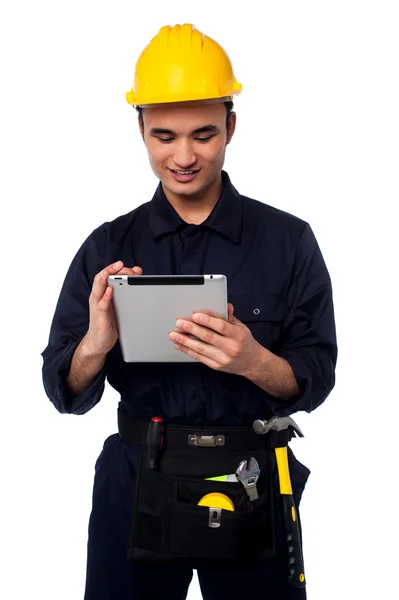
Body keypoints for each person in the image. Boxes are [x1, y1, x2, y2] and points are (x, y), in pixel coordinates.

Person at [41, 23, 337, 600]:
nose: (183, 156)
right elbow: (64, 390)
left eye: (203, 134)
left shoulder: (289, 241)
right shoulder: (108, 246)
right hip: (136, 478)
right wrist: (95, 344)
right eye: (164, 136)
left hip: (252, 477)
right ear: (141, 131)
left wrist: (254, 361)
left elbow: (316, 376)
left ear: (231, 125)